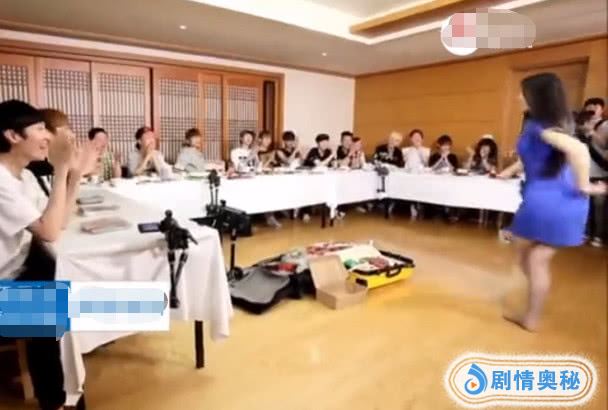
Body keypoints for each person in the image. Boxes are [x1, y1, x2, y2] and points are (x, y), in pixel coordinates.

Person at [498, 73, 606, 332]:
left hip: (555, 199)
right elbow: (530, 156)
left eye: (523, 92)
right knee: (530, 258)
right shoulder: (537, 124)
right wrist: (507, 172)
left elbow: (578, 150)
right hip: (550, 197)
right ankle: (534, 308)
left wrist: (585, 185)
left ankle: (531, 318)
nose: (518, 96)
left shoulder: (545, 128)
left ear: (537, 97)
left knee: (533, 260)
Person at [0, 100, 87, 410]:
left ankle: (67, 384)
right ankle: (56, 402)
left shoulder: (23, 176)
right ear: (12, 135)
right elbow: (49, 232)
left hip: (19, 270)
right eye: (40, 129)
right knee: (50, 309)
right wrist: (61, 168)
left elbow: (58, 221)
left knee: (68, 285)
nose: (48, 136)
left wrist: (75, 174)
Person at [586, 119, 608, 247]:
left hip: (602, 175)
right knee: (589, 204)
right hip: (591, 173)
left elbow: (603, 155)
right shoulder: (602, 123)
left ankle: (598, 235)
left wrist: (592, 135)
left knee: (599, 205)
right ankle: (588, 232)